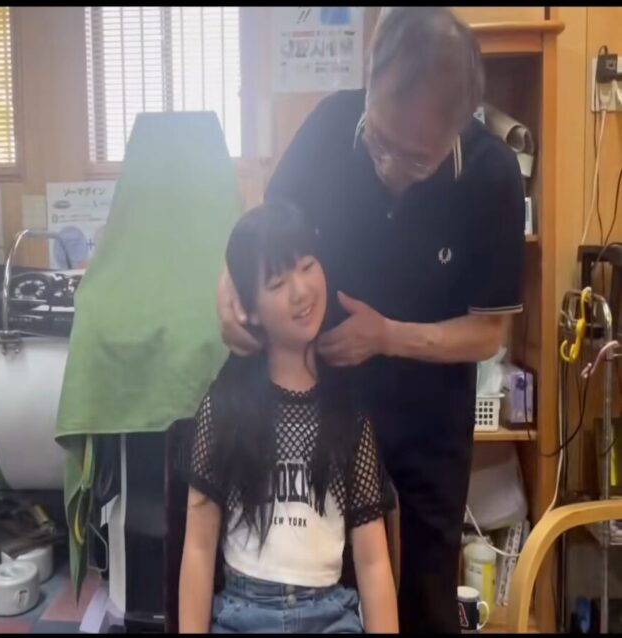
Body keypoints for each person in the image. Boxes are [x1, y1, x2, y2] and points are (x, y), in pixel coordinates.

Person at [216, 7, 525, 633]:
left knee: (422, 600)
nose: (389, 166)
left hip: (427, 429)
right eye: (381, 141)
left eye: (416, 159)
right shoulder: (330, 126)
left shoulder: (492, 177)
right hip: (323, 413)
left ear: (462, 122)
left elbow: (487, 333)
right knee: (324, 593)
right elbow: (263, 236)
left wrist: (385, 336)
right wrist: (230, 287)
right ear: (371, 76)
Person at [179, 203, 398, 634]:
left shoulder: (349, 409)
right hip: (243, 613)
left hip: (330, 614)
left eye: (307, 266)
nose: (300, 291)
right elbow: (199, 549)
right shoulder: (224, 405)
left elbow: (373, 561)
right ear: (248, 308)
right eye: (277, 282)